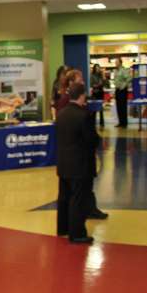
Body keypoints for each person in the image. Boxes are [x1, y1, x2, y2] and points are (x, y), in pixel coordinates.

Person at [55, 83, 98, 244]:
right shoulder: (84, 115)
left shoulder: (61, 113)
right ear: (82, 95)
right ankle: (77, 233)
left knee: (64, 197)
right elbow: (91, 140)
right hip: (80, 164)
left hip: (64, 162)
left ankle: (63, 228)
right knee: (78, 198)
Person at [112, 58, 132, 128]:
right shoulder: (116, 71)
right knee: (118, 107)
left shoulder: (124, 70)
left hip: (122, 90)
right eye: (115, 62)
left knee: (123, 107)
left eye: (116, 62)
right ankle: (120, 122)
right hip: (117, 89)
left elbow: (129, 78)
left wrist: (123, 86)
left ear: (120, 63)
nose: (115, 63)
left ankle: (124, 123)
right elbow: (115, 80)